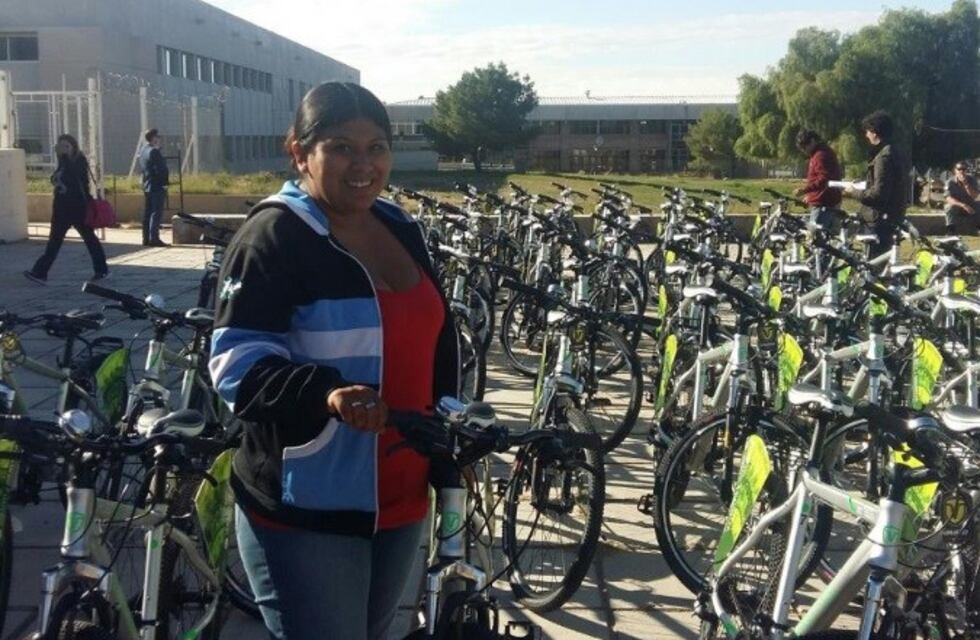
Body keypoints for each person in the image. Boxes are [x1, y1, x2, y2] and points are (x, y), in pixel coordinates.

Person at [208, 82, 460, 640]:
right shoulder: (275, 235)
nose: (363, 164)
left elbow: (434, 342)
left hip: (400, 496)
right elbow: (235, 362)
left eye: (377, 147)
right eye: (342, 147)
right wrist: (325, 392)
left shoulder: (398, 225)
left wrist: (449, 431)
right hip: (310, 505)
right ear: (299, 151)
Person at [23, 134, 108, 285]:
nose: (64, 150)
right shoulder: (62, 162)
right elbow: (56, 178)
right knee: (54, 242)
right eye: (61, 146)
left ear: (73, 148)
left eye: (67, 147)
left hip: (78, 209)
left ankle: (102, 270)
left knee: (90, 240)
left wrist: (65, 159)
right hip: (61, 210)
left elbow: (74, 179)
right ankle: (40, 273)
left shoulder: (79, 161)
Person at [848, 110, 910, 256]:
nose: (866, 135)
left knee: (873, 269)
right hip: (891, 217)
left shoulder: (883, 157)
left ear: (875, 132)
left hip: (880, 221)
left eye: (868, 131)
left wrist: (853, 192)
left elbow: (879, 194)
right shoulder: (895, 151)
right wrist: (865, 184)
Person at [793, 128, 844, 232]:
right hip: (824, 200)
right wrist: (810, 195)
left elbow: (824, 179)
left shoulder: (821, 155)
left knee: (814, 237)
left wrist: (805, 190)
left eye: (804, 146)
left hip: (824, 203)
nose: (804, 150)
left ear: (812, 141)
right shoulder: (819, 153)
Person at [139, 128, 169, 246]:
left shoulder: (143, 150)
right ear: (154, 138)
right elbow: (160, 169)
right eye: (158, 137)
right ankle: (154, 238)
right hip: (157, 186)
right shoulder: (154, 152)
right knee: (156, 212)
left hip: (147, 185)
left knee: (148, 212)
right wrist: (164, 183)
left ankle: (146, 238)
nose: (159, 139)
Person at [944, 161, 980, 235]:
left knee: (978, 204)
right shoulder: (950, 182)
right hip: (958, 207)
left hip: (970, 206)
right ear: (955, 170)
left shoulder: (972, 180)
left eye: (964, 169)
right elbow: (948, 198)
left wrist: (966, 184)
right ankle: (951, 231)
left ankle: (978, 228)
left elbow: (975, 196)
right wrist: (963, 205)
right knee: (949, 207)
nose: (961, 171)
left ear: (967, 170)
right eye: (959, 169)